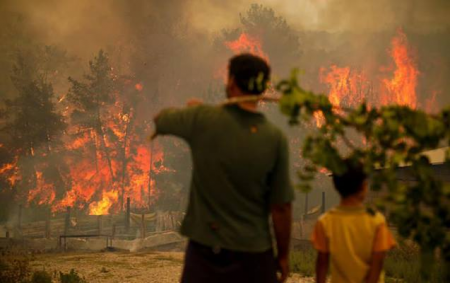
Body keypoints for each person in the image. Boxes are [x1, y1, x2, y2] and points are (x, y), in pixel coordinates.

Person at [154, 54, 295, 283]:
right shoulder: (275, 138)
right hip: (255, 257)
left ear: (231, 83)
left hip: (206, 256)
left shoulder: (203, 119)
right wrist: (284, 256)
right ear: (262, 89)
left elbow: (160, 120)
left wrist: (193, 111)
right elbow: (281, 208)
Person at [312, 160, 396, 283]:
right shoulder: (377, 221)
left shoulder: (325, 222)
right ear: (364, 186)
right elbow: (377, 263)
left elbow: (322, 263)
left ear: (336, 187)